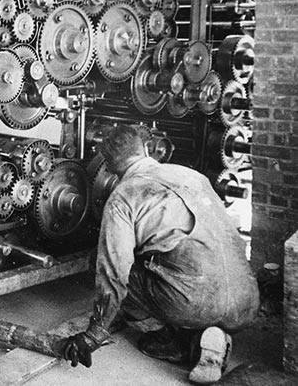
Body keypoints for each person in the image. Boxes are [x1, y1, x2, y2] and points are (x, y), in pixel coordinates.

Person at [61, 124, 258, 384]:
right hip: (246, 302)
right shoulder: (192, 175)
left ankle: (173, 340)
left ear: (107, 167)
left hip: (194, 303)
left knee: (112, 266)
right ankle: (211, 336)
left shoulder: (121, 199)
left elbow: (114, 273)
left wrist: (94, 333)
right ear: (145, 149)